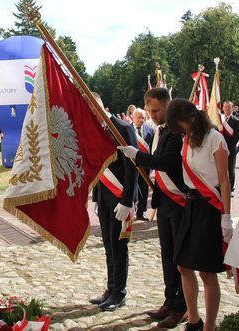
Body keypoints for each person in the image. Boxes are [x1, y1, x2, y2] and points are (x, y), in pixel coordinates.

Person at [118, 88, 187, 328]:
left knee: (180, 258)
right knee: (167, 255)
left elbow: (167, 162)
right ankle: (170, 300)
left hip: (179, 201)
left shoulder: (178, 131)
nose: (153, 115)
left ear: (168, 106)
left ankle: (182, 306)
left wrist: (138, 155)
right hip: (164, 201)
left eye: (156, 110)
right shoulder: (160, 130)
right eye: (149, 111)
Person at [166, 98, 233, 331]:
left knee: (206, 271)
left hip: (210, 208)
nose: (180, 129)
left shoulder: (215, 138)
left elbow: (224, 181)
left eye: (181, 124)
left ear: (191, 118)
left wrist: (226, 216)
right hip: (191, 206)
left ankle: (210, 327)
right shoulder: (187, 140)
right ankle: (193, 320)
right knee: (183, 265)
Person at [90, 92, 138, 312]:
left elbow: (132, 167)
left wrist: (128, 200)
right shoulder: (95, 131)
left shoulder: (124, 128)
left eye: (94, 109)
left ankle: (119, 293)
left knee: (119, 247)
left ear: (103, 106)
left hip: (120, 199)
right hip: (104, 197)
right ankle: (110, 289)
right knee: (108, 246)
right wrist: (95, 196)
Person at [131, 108, 154, 220]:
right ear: (133, 117)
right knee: (133, 186)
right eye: (139, 117)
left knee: (144, 187)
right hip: (132, 164)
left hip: (145, 164)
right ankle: (132, 210)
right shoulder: (128, 129)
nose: (141, 120)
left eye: (143, 117)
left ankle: (141, 212)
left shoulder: (150, 130)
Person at [221, 101, 239, 196]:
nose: (227, 108)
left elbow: (237, 137)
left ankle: (231, 189)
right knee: (220, 168)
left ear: (232, 108)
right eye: (225, 107)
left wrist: (228, 149)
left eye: (229, 107)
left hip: (230, 149)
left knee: (230, 168)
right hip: (220, 148)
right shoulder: (219, 119)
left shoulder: (236, 120)